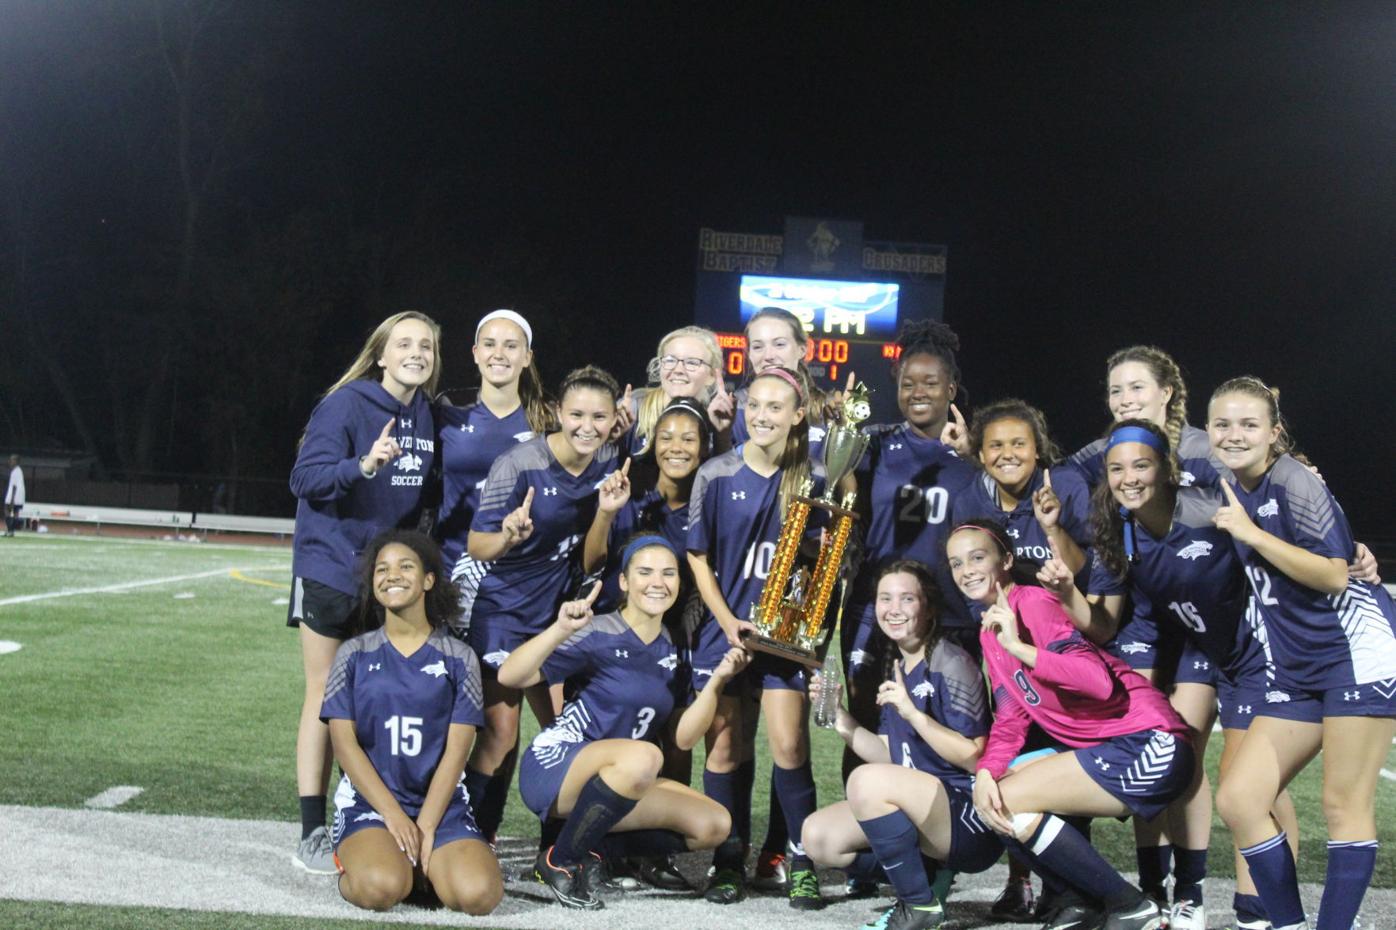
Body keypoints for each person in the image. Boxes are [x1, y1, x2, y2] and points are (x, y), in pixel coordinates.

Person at [1043, 419, 1283, 930]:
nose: (1129, 478)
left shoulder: (1209, 507)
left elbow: (1280, 529)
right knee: (1169, 749)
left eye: (1141, 465)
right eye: (1116, 469)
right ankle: (1168, 890)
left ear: (1166, 468)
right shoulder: (1116, 529)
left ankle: (1249, 908)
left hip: (1252, 655)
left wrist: (1349, 553)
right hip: (1194, 644)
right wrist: (1068, 592)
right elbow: (1104, 625)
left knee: (1252, 784)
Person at [1208, 376, 1396, 930]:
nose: (1234, 434)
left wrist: (1253, 534)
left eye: (1249, 424)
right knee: (1241, 799)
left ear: (1274, 432)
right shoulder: (1224, 482)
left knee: (1342, 804)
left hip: (1354, 656)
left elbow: (1336, 576)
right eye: (1223, 423)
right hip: (1295, 666)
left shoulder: (1294, 482)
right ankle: (1288, 924)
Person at [948, 519, 1194, 930]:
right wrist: (986, 773)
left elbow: (1097, 683)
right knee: (992, 798)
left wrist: (1020, 647)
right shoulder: (991, 631)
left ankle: (1130, 905)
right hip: (1110, 748)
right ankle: (1080, 904)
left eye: (977, 557)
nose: (966, 570)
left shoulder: (1035, 604)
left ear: (1005, 559)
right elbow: (1011, 717)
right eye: (956, 564)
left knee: (1009, 802)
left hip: (1151, 744)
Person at [499, 538, 743, 909]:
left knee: (714, 824)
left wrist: (718, 680)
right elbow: (509, 676)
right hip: (557, 765)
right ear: (625, 582)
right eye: (644, 572)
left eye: (668, 573)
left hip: (626, 775)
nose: (657, 582)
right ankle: (560, 862)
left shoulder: (675, 645)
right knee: (645, 755)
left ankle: (584, 850)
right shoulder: (598, 630)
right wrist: (559, 630)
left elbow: (683, 737)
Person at [288, 311, 441, 874]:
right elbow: (304, 479)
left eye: (425, 346)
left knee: (375, 695)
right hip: (331, 567)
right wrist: (363, 464)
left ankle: (369, 813)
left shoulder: (424, 411)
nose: (416, 353)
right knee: (324, 695)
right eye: (404, 344)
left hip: (388, 577)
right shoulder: (346, 403)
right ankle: (310, 829)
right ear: (381, 354)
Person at [462, 365, 621, 844]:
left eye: (599, 416)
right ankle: (470, 838)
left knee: (563, 735)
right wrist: (507, 536)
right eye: (576, 414)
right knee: (501, 733)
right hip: (503, 611)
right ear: (556, 412)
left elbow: (593, 558)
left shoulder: (610, 462)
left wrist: (607, 514)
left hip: (558, 614)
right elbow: (476, 545)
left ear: (615, 420)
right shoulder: (520, 463)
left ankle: (556, 847)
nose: (586, 426)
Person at [687, 366, 826, 908]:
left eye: (775, 408)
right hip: (728, 629)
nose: (762, 416)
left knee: (789, 744)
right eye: (755, 406)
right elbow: (698, 558)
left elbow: (823, 558)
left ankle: (803, 859)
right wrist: (726, 622)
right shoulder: (716, 474)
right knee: (726, 746)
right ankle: (729, 862)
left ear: (797, 417)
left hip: (784, 636)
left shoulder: (813, 477)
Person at [803, 561, 1000, 930]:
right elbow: (891, 754)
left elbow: (976, 757)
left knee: (864, 780)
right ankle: (924, 879)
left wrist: (914, 715)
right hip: (925, 807)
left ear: (928, 608)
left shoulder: (952, 663)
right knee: (818, 838)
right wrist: (839, 718)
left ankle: (918, 906)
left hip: (969, 819)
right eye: (885, 598)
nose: (893, 609)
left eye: (907, 598)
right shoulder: (896, 663)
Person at [321, 530, 502, 915]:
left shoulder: (459, 657)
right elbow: (344, 744)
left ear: (428, 580)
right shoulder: (353, 654)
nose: (392, 576)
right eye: (382, 570)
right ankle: (365, 865)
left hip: (440, 804)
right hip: (371, 804)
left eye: (406, 567)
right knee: (380, 887)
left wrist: (428, 825)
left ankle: (422, 865)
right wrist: (394, 816)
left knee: (479, 896)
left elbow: (458, 750)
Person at [581, 396, 713, 889]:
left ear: (703, 448)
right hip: (618, 637)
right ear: (652, 444)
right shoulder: (630, 493)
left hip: (680, 638)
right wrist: (604, 512)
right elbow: (593, 561)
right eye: (667, 436)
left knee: (673, 743)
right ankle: (588, 841)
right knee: (612, 739)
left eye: (688, 438)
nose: (676, 447)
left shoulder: (709, 498)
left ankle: (652, 847)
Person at [847, 321, 976, 756]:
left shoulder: (974, 454)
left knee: (944, 728)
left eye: (930, 383)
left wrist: (974, 457)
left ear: (951, 388)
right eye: (907, 383)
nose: (918, 392)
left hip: (950, 613)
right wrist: (840, 432)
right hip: (877, 608)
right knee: (865, 720)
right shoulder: (874, 444)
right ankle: (867, 818)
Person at [435, 310, 553, 626]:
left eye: (511, 346)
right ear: (476, 353)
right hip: (452, 565)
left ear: (527, 357)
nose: (498, 354)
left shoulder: (550, 420)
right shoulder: (447, 409)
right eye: (489, 344)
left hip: (522, 574)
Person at [950, 399, 1094, 591]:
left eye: (1018, 444)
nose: (1008, 454)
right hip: (1001, 616)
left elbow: (1088, 577)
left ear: (1037, 449)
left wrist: (1052, 528)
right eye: (996, 445)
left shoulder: (1066, 487)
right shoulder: (968, 503)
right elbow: (969, 584)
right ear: (982, 454)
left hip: (1068, 615)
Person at [624, 326, 734, 456]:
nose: (678, 370)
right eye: (670, 360)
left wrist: (722, 436)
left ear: (711, 375)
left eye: (692, 363)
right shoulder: (634, 408)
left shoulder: (714, 421)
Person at [5, 454, 24, 536]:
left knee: (7, 510)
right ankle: (11, 530)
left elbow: (14, 486)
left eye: (12, 460)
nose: (10, 461)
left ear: (16, 462)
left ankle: (10, 530)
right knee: (15, 512)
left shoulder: (16, 471)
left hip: (15, 496)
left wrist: (12, 499)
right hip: (19, 496)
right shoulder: (18, 471)